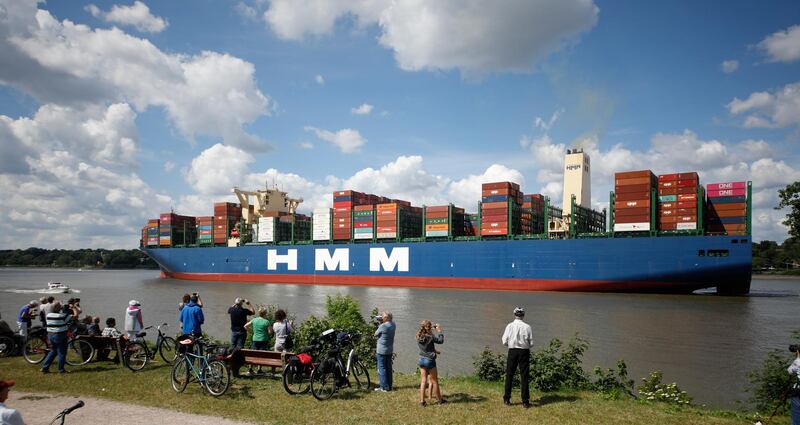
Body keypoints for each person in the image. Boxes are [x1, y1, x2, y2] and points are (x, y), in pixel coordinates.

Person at [502, 307, 534, 408]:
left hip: (512, 351)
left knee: (509, 375)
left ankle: (507, 399)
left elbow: (504, 341)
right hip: (524, 352)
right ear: (523, 315)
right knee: (524, 376)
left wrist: (510, 345)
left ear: (514, 314)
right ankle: (525, 401)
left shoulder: (509, 326)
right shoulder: (528, 327)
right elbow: (531, 343)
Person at [417, 320, 445, 406]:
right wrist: (439, 331)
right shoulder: (430, 337)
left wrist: (430, 328)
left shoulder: (419, 336)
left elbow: (426, 347)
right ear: (428, 327)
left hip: (421, 359)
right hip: (429, 360)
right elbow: (440, 341)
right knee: (434, 381)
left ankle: (422, 401)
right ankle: (439, 400)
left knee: (423, 381)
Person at [41, 301, 71, 373]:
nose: (61, 306)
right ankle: (61, 369)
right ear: (57, 308)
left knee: (53, 351)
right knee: (62, 352)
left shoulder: (48, 315)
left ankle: (45, 368)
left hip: (51, 335)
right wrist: (72, 308)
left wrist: (60, 307)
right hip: (60, 335)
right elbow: (75, 315)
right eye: (60, 306)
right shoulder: (61, 316)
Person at [374, 311, 396, 392]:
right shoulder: (393, 324)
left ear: (386, 318)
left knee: (382, 368)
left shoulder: (383, 326)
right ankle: (389, 386)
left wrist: (380, 323)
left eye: (382, 317)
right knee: (388, 367)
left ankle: (383, 387)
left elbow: (375, 334)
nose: (381, 317)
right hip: (389, 350)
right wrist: (382, 322)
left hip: (381, 351)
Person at [789, 347, 800, 425]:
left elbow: (790, 371)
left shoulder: (798, 361)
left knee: (796, 417)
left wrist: (798, 357)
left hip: (798, 391)